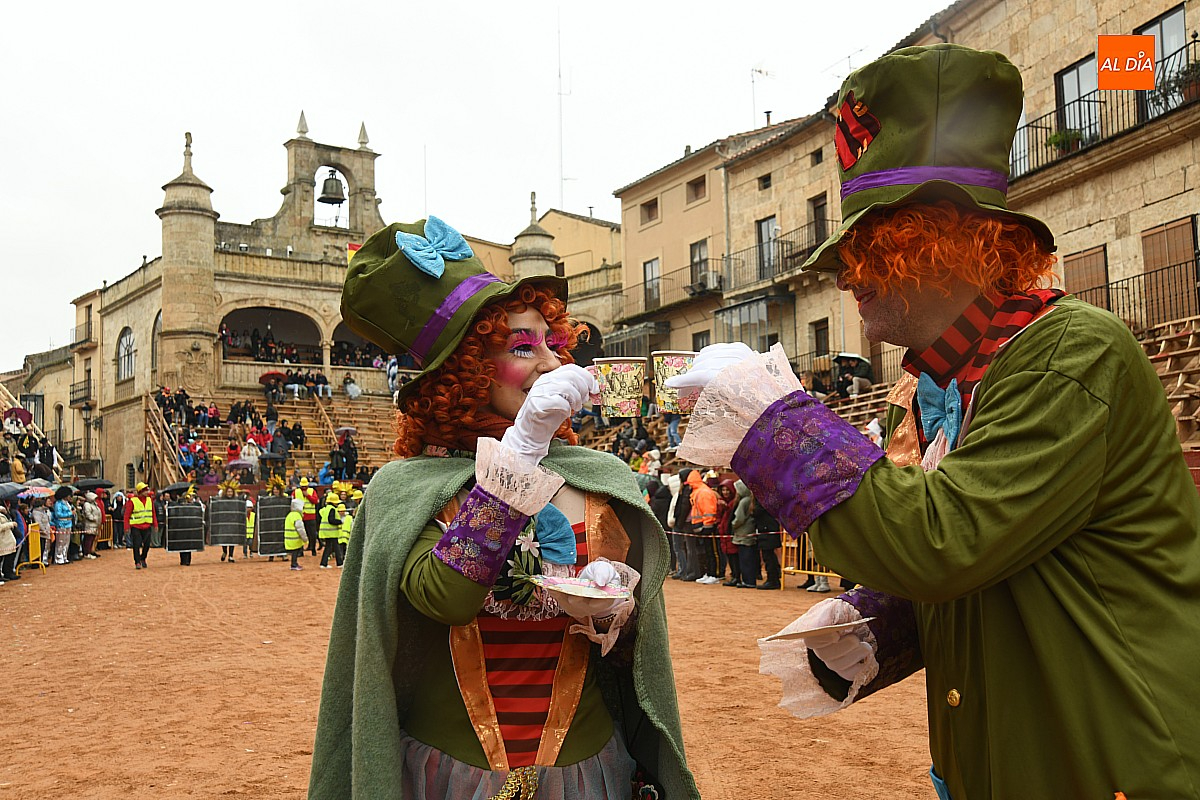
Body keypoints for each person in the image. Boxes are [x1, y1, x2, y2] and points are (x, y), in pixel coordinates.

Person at [668, 44, 1200, 799]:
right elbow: (1000, 566)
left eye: (866, 242)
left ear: (940, 239)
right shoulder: (935, 386)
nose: (845, 271)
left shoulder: (1070, 352)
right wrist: (875, 627)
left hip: (1108, 763)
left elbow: (943, 542)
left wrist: (769, 417)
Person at [309, 218, 697, 799]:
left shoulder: (606, 480)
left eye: (549, 343)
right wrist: (520, 452)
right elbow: (446, 597)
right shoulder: (405, 489)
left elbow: (637, 663)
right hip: (449, 778)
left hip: (588, 774)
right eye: (521, 346)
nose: (547, 363)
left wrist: (614, 613)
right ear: (463, 373)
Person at [124, 482, 157, 569]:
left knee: (147, 545)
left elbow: (153, 513)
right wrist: (126, 527)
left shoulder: (150, 500)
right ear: (140, 491)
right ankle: (137, 562)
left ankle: (143, 558)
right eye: (145, 490)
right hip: (136, 526)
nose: (147, 492)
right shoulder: (132, 501)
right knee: (136, 544)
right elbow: (127, 515)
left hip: (147, 526)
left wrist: (155, 524)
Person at [316, 496, 343, 568]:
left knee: (328, 547)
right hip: (331, 532)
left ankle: (323, 563)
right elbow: (331, 520)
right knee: (335, 548)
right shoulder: (332, 509)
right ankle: (339, 563)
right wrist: (340, 521)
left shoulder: (326, 509)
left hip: (326, 532)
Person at [50, 486, 74, 565]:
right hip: (61, 524)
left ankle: (64, 556)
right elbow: (58, 514)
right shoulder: (58, 503)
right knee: (60, 542)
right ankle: (58, 557)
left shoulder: (67, 503)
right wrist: (70, 513)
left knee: (66, 541)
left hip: (68, 523)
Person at [284, 496, 308, 570]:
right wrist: (305, 538)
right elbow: (300, 528)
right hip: (295, 538)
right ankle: (294, 564)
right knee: (295, 552)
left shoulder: (290, 515)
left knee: (295, 552)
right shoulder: (297, 516)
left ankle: (294, 563)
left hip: (289, 537)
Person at [80, 492, 102, 559]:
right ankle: (86, 553)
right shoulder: (87, 505)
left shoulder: (94, 504)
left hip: (95, 524)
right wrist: (93, 518)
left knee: (92, 538)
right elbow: (88, 514)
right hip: (89, 524)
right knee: (88, 539)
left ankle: (90, 551)